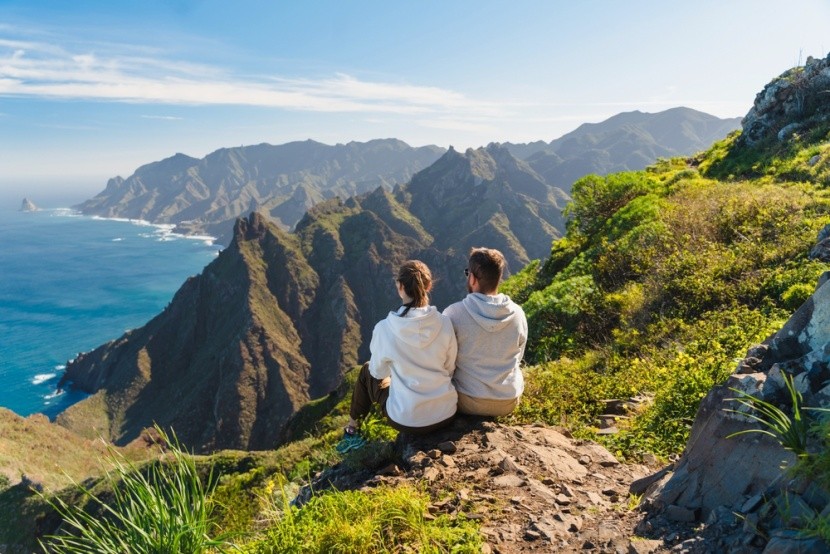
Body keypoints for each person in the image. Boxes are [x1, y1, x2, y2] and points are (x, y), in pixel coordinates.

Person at [337, 260, 458, 453]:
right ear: (428, 286)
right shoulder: (445, 323)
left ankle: (352, 431)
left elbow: (378, 373)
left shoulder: (385, 328)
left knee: (366, 369)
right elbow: (450, 367)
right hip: (446, 413)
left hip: (406, 418)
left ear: (400, 287)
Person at [443, 247, 528, 417]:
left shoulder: (453, 314)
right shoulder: (518, 313)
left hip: (467, 401)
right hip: (508, 401)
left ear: (473, 278)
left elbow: (445, 363)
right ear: (499, 277)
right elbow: (518, 357)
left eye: (468, 274)